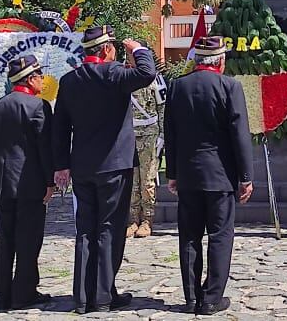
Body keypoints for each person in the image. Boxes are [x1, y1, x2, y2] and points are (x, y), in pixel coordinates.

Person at [52, 25, 156, 314]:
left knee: (86, 229)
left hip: (83, 166)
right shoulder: (114, 74)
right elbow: (147, 73)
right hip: (115, 166)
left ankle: (84, 296)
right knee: (110, 228)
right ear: (107, 49)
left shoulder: (70, 80)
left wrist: (61, 164)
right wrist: (137, 49)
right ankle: (102, 295)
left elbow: (59, 127)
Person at [164, 36, 254, 315]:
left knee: (189, 236)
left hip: (189, 174)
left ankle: (191, 297)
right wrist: (246, 176)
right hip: (220, 175)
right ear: (221, 60)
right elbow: (239, 135)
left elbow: (171, 133)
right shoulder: (230, 86)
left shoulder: (178, 86)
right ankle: (212, 298)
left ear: (197, 60)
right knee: (220, 236)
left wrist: (173, 173)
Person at [0, 55, 55, 311]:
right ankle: (23, 293)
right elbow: (43, 148)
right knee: (28, 241)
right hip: (30, 182)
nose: (43, 80)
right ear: (30, 78)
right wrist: (50, 181)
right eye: (39, 76)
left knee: (4, 241)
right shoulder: (39, 107)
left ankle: (2, 294)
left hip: (3, 184)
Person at [126, 55, 166, 239]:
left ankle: (147, 220)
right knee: (132, 180)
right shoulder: (125, 75)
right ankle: (132, 219)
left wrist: (162, 135)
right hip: (128, 134)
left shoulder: (154, 78)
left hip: (150, 132)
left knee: (147, 179)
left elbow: (162, 107)